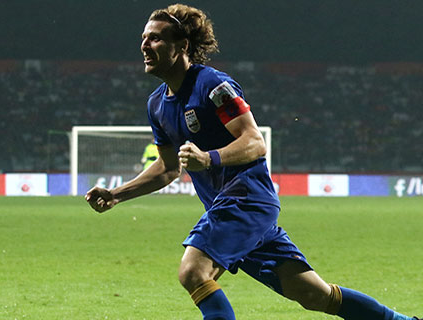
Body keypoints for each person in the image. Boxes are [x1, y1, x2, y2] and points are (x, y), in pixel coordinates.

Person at [86, 4, 419, 320]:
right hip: (236, 209)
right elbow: (168, 167)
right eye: (143, 38)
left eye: (155, 37)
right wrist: (118, 194)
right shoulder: (157, 104)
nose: (145, 44)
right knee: (314, 294)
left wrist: (208, 158)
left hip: (246, 199)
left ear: (181, 46)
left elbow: (254, 142)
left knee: (193, 271)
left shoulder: (212, 85)